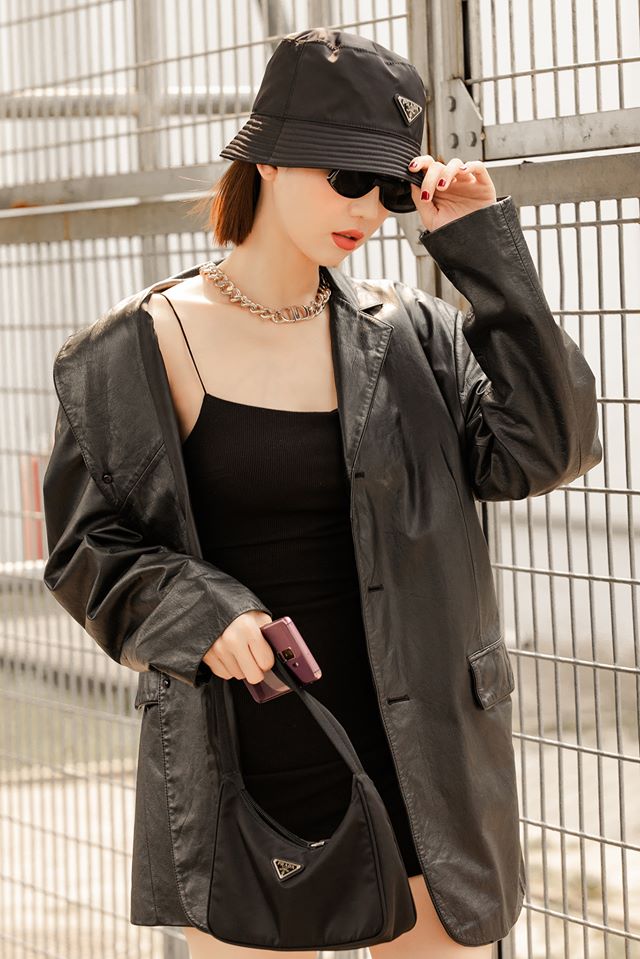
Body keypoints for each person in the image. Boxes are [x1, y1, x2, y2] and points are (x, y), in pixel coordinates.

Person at [41, 27, 602, 959]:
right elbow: (84, 546)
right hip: (256, 770)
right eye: (347, 178)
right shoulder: (138, 348)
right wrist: (198, 609)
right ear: (266, 157)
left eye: (389, 188)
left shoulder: (414, 336)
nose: (368, 210)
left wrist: (480, 248)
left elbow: (549, 446)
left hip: (427, 776)